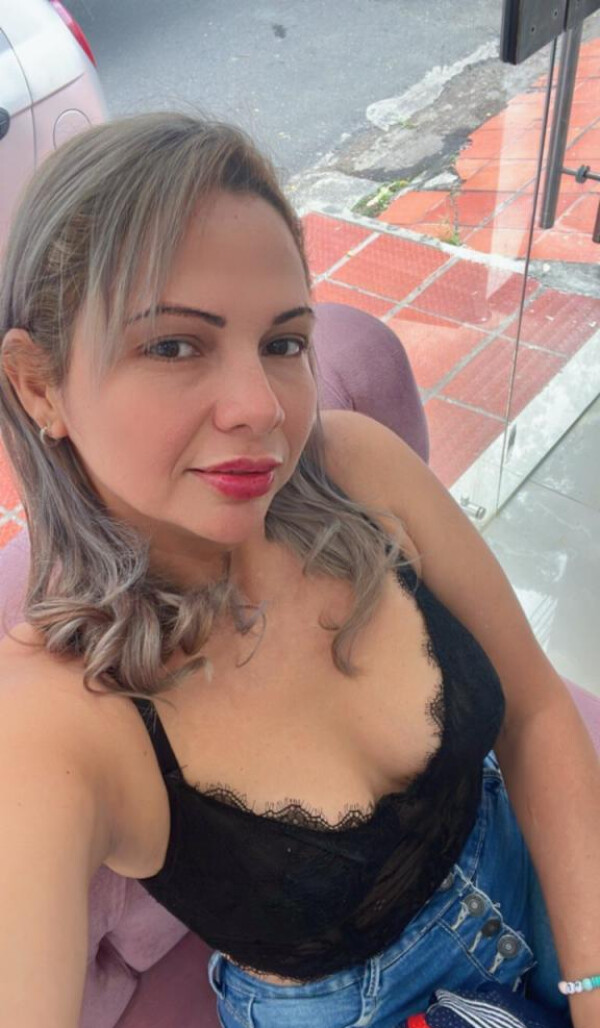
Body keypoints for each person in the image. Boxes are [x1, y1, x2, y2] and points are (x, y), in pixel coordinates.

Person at [0, 112, 597, 1028]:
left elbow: (539, 711)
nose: (260, 408)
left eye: (282, 342)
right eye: (174, 345)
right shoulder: (57, 717)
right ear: (41, 385)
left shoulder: (356, 469)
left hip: (547, 892)